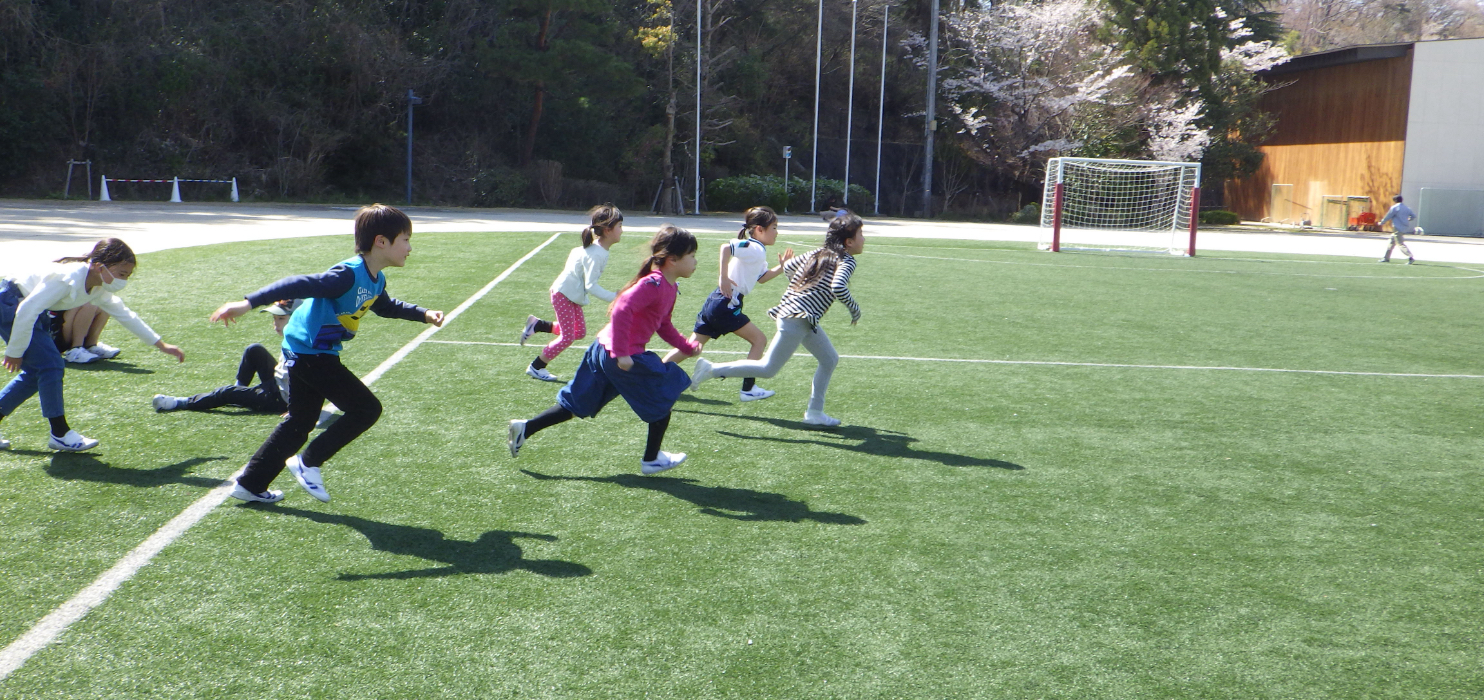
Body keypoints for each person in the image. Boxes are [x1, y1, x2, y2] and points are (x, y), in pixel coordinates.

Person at [209, 204, 446, 504]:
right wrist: (247, 303)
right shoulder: (347, 274)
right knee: (366, 409)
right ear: (381, 242)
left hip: (307, 351)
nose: (410, 248)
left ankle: (250, 483)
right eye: (406, 239)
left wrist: (424, 314)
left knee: (300, 422)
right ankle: (308, 462)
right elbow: (298, 283)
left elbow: (385, 307)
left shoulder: (376, 279)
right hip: (311, 354)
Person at [508, 225, 701, 475]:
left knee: (576, 404)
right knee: (662, 397)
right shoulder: (654, 284)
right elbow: (622, 308)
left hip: (601, 350)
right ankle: (651, 459)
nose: (696, 261)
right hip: (620, 356)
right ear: (672, 259)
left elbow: (662, 324)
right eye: (692, 256)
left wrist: (686, 346)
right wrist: (622, 353)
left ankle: (526, 427)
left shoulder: (668, 287)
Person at [0, 238, 186, 452]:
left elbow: (125, 315)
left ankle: (58, 433)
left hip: (26, 307)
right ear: (99, 267)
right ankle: (60, 433)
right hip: (11, 303)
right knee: (51, 366)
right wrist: (15, 351)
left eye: (127, 276)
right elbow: (26, 310)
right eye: (121, 274)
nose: (123, 281)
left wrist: (161, 344)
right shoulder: (66, 278)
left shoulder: (98, 287)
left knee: (38, 372)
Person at [689, 212, 866, 427]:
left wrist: (802, 290)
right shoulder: (847, 261)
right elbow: (838, 286)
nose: (863, 239)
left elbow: (790, 267)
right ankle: (712, 370)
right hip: (797, 318)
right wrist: (854, 310)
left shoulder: (818, 253)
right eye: (861, 234)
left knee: (829, 359)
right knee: (768, 368)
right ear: (848, 242)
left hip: (799, 315)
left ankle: (814, 412)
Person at [661, 205, 794, 402]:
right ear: (759, 229)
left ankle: (652, 377)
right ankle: (748, 389)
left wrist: (781, 268)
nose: (777, 232)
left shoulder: (757, 251)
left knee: (691, 347)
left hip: (716, 302)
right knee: (759, 341)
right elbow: (726, 247)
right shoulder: (754, 248)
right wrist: (723, 277)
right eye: (774, 227)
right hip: (725, 304)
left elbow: (762, 278)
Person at [519, 204, 622, 382]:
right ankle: (536, 366)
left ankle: (538, 325)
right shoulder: (596, 254)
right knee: (567, 337)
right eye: (619, 226)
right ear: (607, 230)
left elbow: (576, 257)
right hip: (563, 294)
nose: (622, 230)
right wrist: (615, 297)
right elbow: (591, 285)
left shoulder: (597, 250)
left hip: (570, 295)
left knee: (579, 332)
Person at [153, 300, 299, 414]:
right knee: (254, 350)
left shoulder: (304, 344)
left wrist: (298, 408)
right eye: (274, 318)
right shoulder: (294, 336)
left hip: (282, 398)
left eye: (281, 318)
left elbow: (315, 378)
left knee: (226, 393)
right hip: (280, 384)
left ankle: (180, 402)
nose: (275, 324)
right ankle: (240, 395)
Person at [51, 304, 121, 364]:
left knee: (103, 302)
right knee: (88, 304)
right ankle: (75, 348)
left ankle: (90, 345)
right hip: (53, 336)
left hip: (61, 327)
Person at [1379, 194, 1416, 264]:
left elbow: (1388, 216)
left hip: (1397, 227)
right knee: (1391, 242)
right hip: (1404, 227)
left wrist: (1382, 222)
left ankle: (1410, 257)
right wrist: (1409, 219)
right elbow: (1413, 216)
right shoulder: (1407, 208)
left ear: (1395, 200)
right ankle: (1386, 258)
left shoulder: (1395, 207)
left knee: (1400, 244)